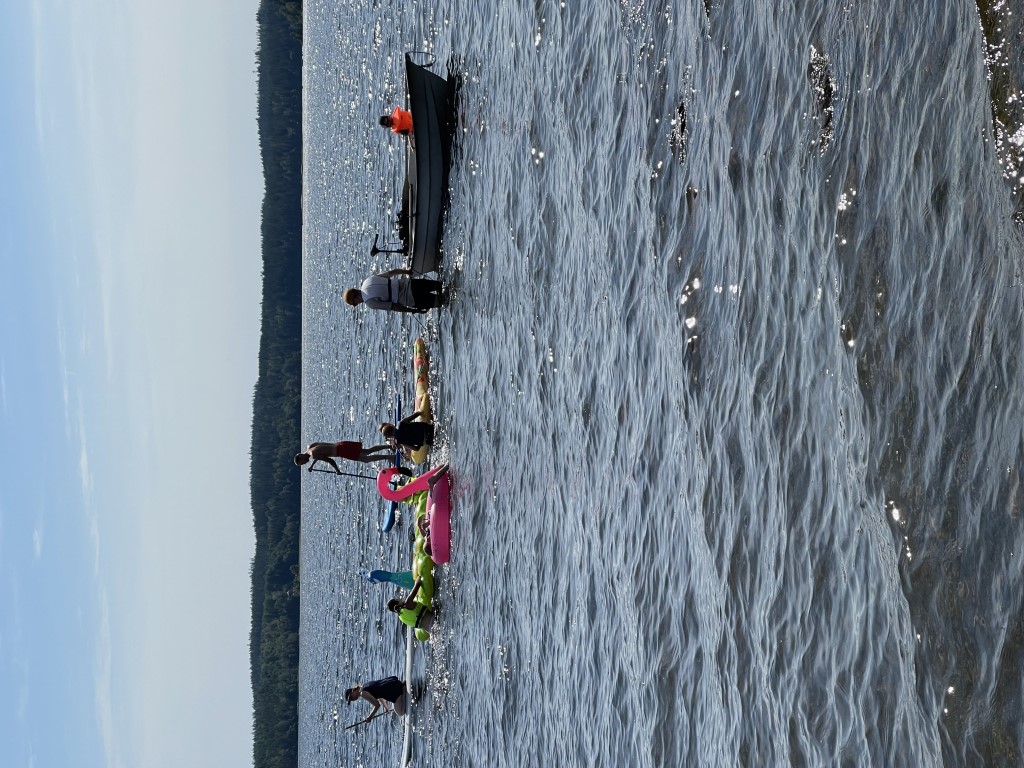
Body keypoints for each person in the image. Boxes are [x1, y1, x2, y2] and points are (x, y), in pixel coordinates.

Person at [343, 269, 443, 314]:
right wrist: (407, 271)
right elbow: (392, 272)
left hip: (411, 299)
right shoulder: (368, 280)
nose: (357, 304)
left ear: (355, 297)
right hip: (411, 283)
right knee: (439, 285)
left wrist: (413, 310)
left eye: (355, 303)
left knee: (441, 301)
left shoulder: (370, 303)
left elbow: (394, 306)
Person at [293, 441, 393, 473]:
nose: (305, 463)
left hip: (341, 451)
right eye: (303, 464)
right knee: (367, 451)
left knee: (365, 459)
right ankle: (389, 446)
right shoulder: (310, 447)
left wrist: (337, 470)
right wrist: (312, 466)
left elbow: (330, 460)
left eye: (303, 462)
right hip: (341, 444)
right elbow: (319, 454)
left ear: (301, 456)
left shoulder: (314, 455)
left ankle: (389, 457)